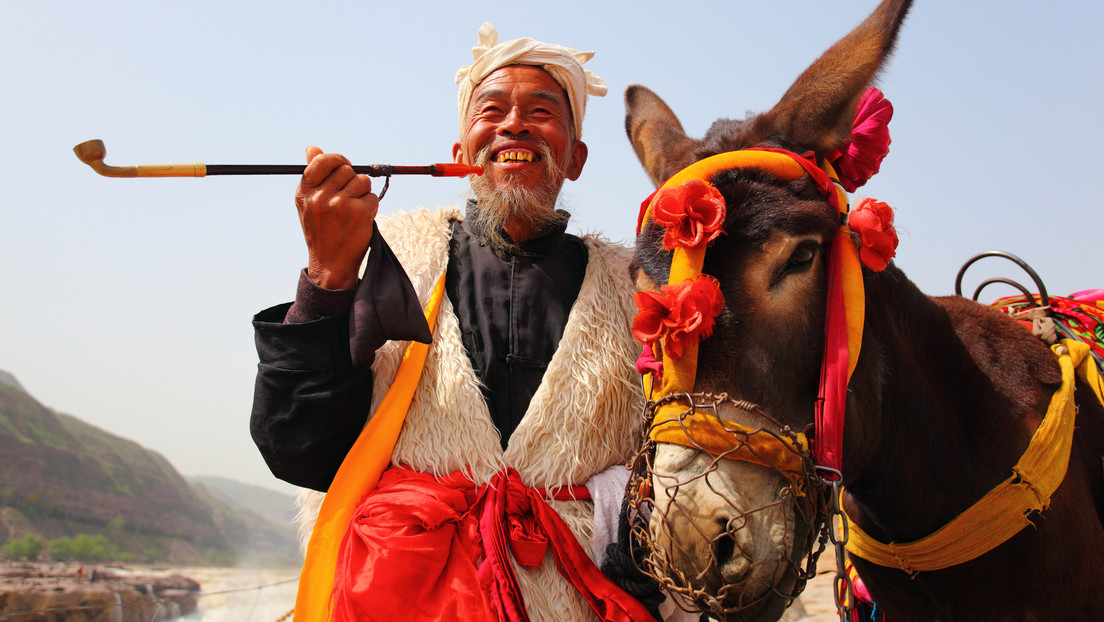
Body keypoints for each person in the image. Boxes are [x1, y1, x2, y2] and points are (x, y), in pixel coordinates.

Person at [250, 23, 662, 622]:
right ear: (462, 153)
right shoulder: (388, 256)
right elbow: (302, 452)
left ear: (575, 158)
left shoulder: (637, 291)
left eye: (541, 111)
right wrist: (327, 274)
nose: (514, 125)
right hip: (402, 599)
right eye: (491, 110)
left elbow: (677, 469)